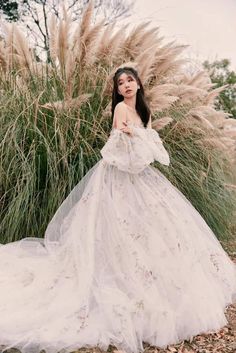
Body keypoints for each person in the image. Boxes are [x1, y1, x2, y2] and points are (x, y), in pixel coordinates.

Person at [0, 66, 236, 353]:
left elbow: (148, 143)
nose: (125, 85)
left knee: (154, 230)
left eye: (129, 80)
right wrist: (131, 139)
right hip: (120, 178)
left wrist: (143, 142)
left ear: (138, 84)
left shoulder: (144, 112)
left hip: (141, 178)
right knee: (120, 230)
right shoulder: (122, 110)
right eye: (120, 83)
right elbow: (117, 147)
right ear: (117, 89)